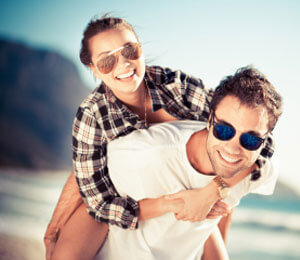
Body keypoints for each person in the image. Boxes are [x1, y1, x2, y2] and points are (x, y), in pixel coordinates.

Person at [44, 15, 275, 259]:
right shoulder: (93, 116)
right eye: (107, 61)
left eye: (129, 50)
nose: (123, 64)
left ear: (140, 49)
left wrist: (211, 193)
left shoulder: (174, 86)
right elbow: (95, 197)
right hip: (132, 194)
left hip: (199, 186)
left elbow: (256, 138)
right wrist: (54, 227)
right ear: (93, 69)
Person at [94, 65, 282, 259]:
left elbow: (242, 185)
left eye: (251, 140)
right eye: (224, 130)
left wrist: (212, 194)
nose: (233, 149)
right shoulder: (145, 154)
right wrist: (176, 204)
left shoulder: (258, 168)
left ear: (264, 142)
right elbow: (94, 203)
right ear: (210, 120)